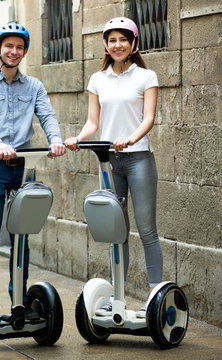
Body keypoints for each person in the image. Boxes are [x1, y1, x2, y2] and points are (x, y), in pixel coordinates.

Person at [0, 22, 66, 322]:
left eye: (20, 47)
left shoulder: (33, 85)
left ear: (25, 51)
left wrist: (56, 140)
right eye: (8, 46)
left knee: (21, 237)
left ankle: (19, 302)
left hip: (23, 168)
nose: (14, 51)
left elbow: (47, 114)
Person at [64, 17, 161, 318]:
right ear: (106, 45)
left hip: (139, 158)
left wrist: (129, 138)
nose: (117, 45)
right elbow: (94, 122)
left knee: (147, 230)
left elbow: (148, 119)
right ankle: (117, 295)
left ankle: (155, 293)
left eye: (123, 39)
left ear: (133, 44)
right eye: (112, 40)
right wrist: (77, 138)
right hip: (110, 162)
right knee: (116, 230)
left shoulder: (146, 77)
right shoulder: (98, 79)